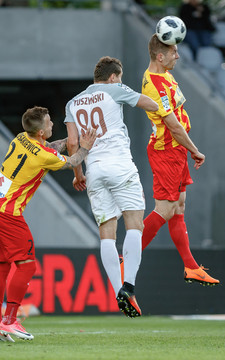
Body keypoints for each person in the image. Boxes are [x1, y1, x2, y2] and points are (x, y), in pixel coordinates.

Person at [0, 106, 96, 341]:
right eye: (49, 122)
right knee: (27, 266)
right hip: (8, 214)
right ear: (42, 132)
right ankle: (10, 321)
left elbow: (47, 149)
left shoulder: (21, 138)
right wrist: (85, 147)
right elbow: (71, 161)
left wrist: (68, 139)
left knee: (1, 265)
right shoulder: (43, 155)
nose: (52, 123)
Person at [65, 56, 158, 318]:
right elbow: (147, 103)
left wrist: (77, 173)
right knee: (135, 224)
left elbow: (73, 144)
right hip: (120, 165)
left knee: (107, 233)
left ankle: (117, 291)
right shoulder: (115, 89)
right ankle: (128, 287)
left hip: (93, 170)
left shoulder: (73, 103)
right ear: (114, 77)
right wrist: (163, 108)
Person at [141, 34, 219, 286]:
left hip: (176, 151)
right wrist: (195, 150)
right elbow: (173, 126)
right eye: (174, 51)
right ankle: (127, 257)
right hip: (167, 151)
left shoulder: (166, 75)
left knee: (179, 207)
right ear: (160, 56)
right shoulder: (154, 84)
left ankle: (191, 267)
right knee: (164, 210)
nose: (178, 55)